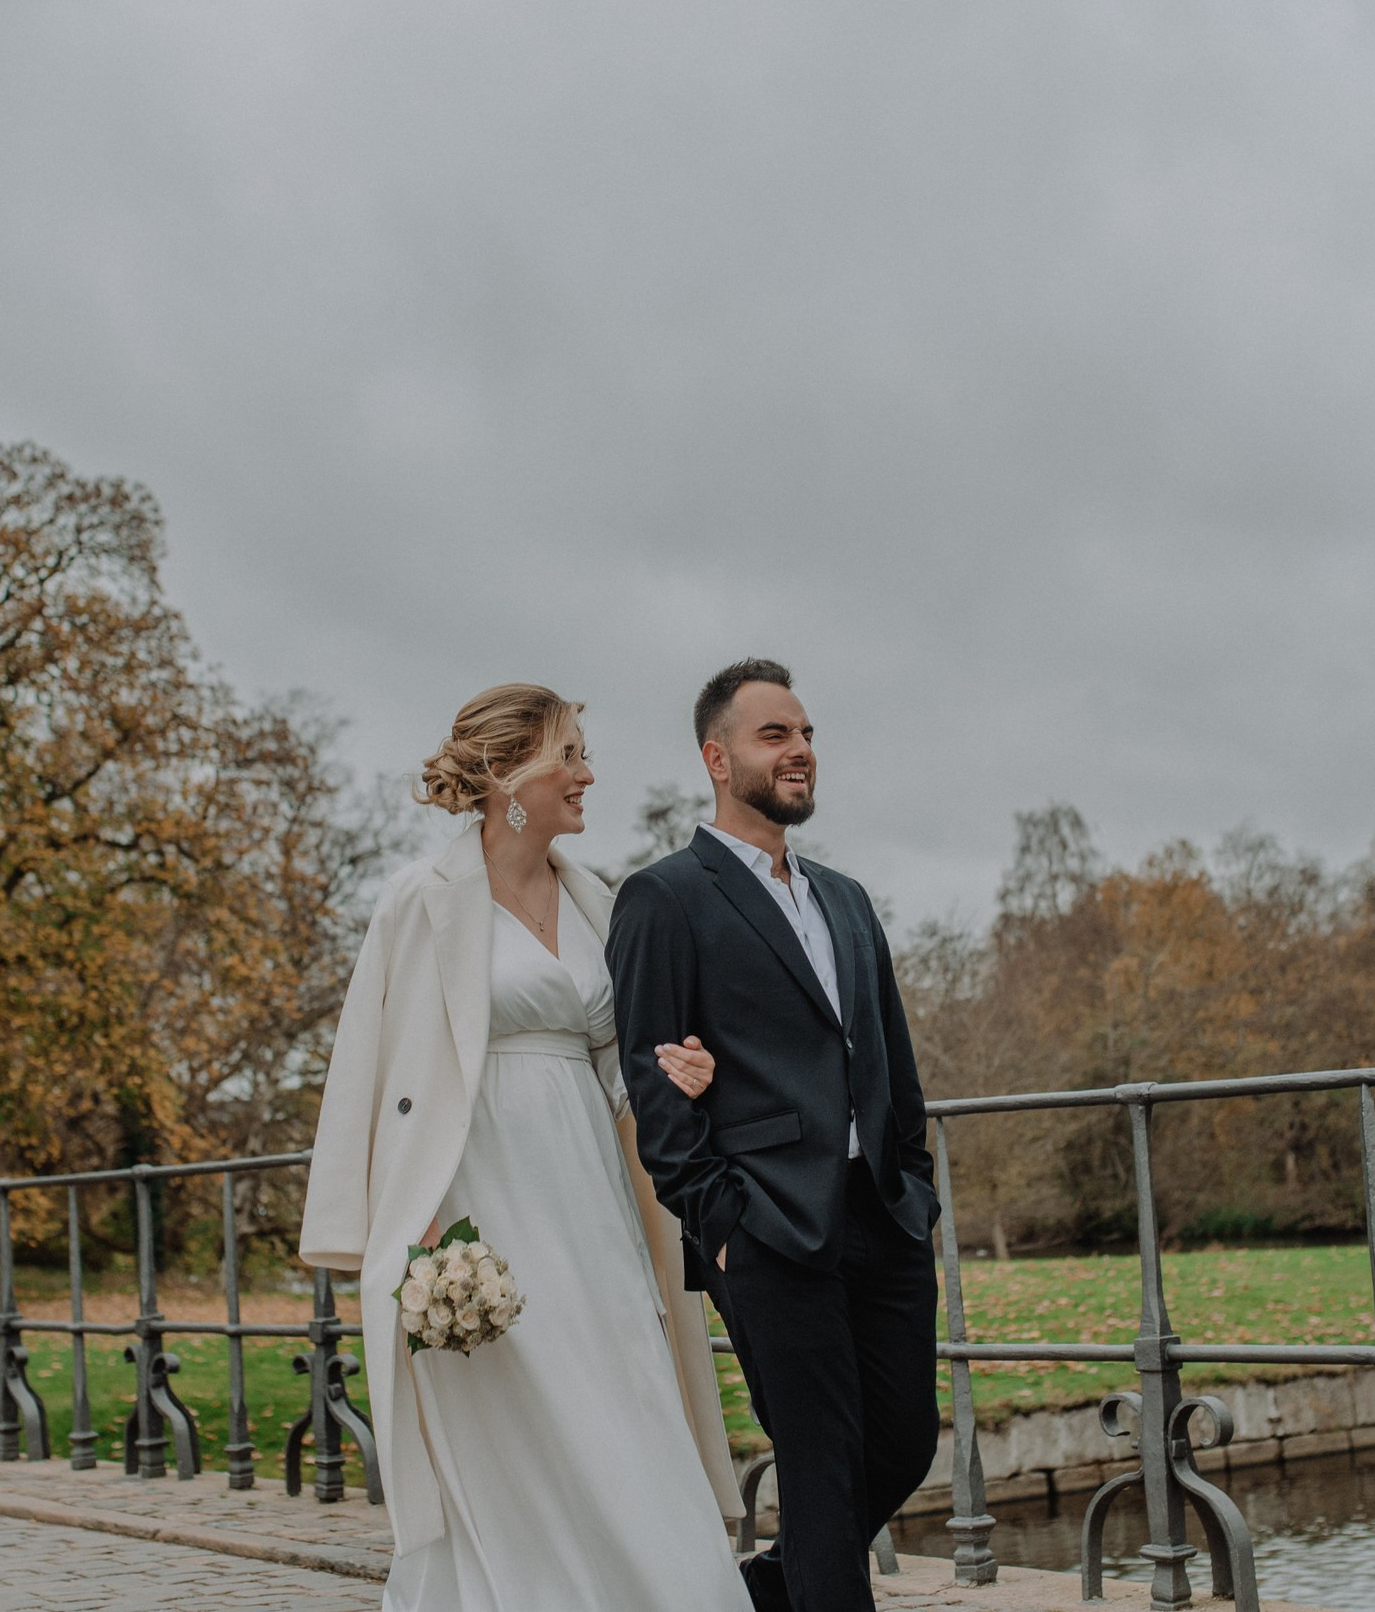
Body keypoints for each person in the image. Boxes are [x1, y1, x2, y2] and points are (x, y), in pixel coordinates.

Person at [299, 684, 749, 1612]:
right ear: (508, 774)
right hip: (478, 1196)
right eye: (568, 755)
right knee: (515, 1420)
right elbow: (372, 1068)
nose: (587, 775)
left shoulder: (598, 900)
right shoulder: (419, 901)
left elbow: (622, 1064)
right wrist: (413, 1230)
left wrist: (682, 1073)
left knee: (627, 1387)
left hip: (593, 1189)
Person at [608, 658, 941, 1612]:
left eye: (805, 733)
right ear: (717, 759)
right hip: (765, 1226)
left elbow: (892, 1060)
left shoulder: (847, 898)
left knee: (905, 1441)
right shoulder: (665, 897)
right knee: (821, 1458)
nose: (800, 750)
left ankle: (767, 1588)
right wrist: (720, 1224)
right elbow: (654, 1085)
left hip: (881, 1212)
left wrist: (913, 1185)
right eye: (774, 735)